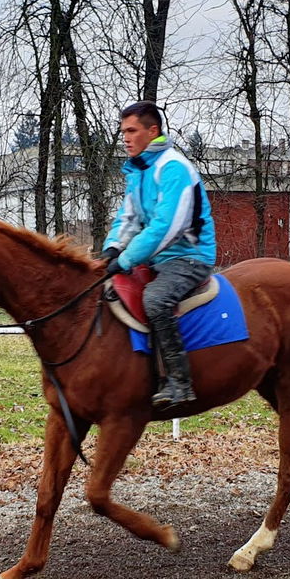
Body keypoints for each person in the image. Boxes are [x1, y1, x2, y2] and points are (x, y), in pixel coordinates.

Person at [102, 101, 217, 409]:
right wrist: (111, 248)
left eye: (132, 130)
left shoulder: (173, 167)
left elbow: (166, 227)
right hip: (156, 259)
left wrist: (125, 260)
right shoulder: (138, 170)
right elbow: (128, 218)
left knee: (155, 299)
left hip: (190, 257)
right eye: (123, 131)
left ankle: (180, 383)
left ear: (152, 131)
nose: (125, 137)